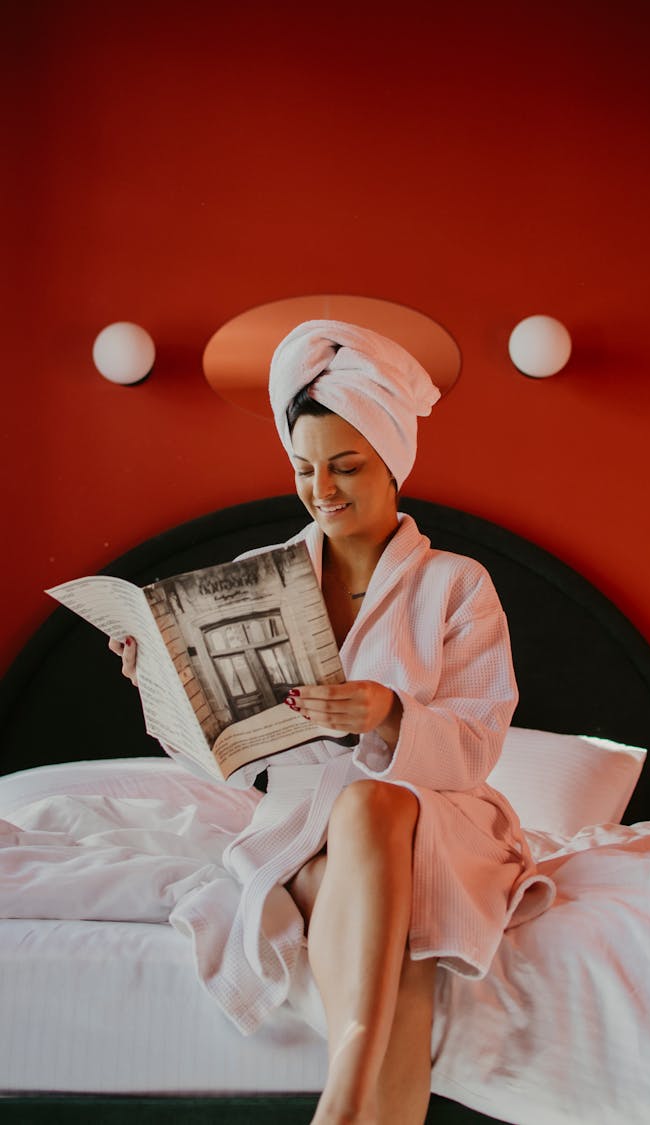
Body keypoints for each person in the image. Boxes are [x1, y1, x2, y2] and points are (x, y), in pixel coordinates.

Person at [109, 320, 554, 1125]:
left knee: (375, 803)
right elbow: (228, 761)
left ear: (393, 467)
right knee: (402, 934)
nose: (323, 488)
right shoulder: (256, 581)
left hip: (438, 817)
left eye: (347, 466)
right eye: (305, 469)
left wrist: (391, 714)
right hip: (305, 830)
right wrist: (162, 688)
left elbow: (479, 747)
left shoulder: (457, 586)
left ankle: (342, 1100)